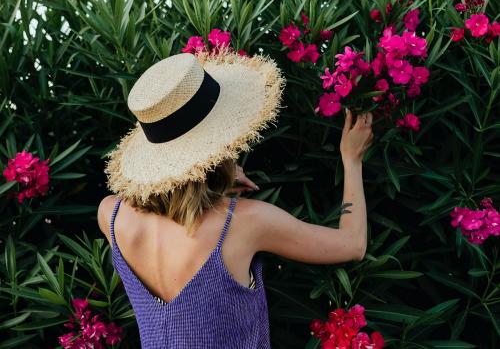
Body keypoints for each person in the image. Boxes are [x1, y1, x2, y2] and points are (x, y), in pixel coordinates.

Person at [97, 48, 373, 348]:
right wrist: (352, 158)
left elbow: (167, 205)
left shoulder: (111, 216)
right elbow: (353, 244)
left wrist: (212, 184)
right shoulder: (245, 223)